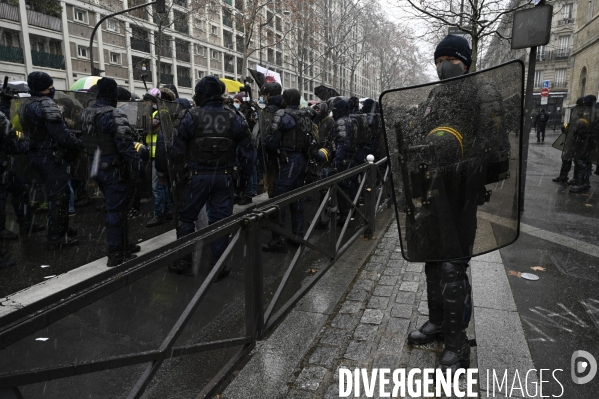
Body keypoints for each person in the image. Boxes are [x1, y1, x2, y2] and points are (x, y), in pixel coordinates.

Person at [404, 35, 507, 373]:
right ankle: (437, 323)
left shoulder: (483, 93)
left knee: (452, 266)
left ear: (466, 61)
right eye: (439, 59)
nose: (443, 65)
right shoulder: (435, 95)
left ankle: (456, 341)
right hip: (434, 190)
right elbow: (421, 135)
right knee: (432, 259)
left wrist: (465, 165)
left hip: (462, 194)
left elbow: (497, 151)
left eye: (451, 58)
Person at [169, 76, 251, 277]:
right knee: (220, 222)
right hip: (224, 177)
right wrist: (244, 181)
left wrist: (177, 178)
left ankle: (184, 261)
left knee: (186, 219)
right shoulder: (235, 116)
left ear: (201, 94)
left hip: (195, 177)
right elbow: (248, 151)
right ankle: (219, 265)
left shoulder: (190, 116)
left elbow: (176, 152)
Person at [81, 77, 148, 266]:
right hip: (113, 168)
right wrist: (138, 167)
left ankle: (123, 245)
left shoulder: (86, 112)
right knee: (116, 209)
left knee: (118, 207)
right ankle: (116, 253)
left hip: (95, 166)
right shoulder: (113, 114)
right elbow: (125, 145)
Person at [20, 72, 83, 250]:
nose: (52, 88)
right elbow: (60, 134)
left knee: (55, 195)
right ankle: (56, 237)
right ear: (44, 87)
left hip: (35, 154)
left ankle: (61, 228)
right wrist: (78, 144)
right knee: (60, 196)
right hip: (50, 155)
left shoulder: (26, 104)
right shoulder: (46, 104)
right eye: (49, 85)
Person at [261, 88, 312, 253]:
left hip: (288, 160)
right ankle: (297, 235)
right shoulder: (305, 115)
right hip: (303, 159)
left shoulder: (284, 115)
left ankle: (278, 239)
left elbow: (271, 142)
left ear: (286, 100)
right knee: (297, 199)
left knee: (280, 200)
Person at [330, 99, 358, 226]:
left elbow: (343, 144)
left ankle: (345, 216)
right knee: (350, 186)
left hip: (344, 160)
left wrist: (336, 161)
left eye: (335, 109)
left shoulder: (341, 122)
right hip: (352, 158)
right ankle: (351, 212)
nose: (333, 112)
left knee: (343, 189)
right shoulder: (354, 120)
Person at [257, 82, 283, 198]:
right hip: (283, 153)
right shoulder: (284, 106)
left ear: (268, 94)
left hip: (270, 155)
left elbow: (264, 135)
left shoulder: (268, 111)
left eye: (263, 95)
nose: (262, 98)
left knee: (271, 188)